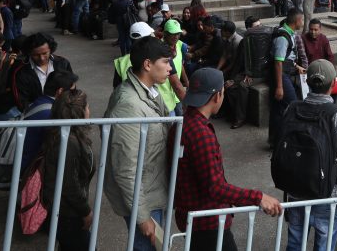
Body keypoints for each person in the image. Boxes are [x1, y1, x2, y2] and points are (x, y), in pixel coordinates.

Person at [175, 68, 283, 250]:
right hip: (207, 223)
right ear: (217, 96)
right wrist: (258, 197)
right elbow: (215, 187)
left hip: (191, 216)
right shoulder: (201, 134)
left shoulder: (183, 123)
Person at [104, 36, 172, 251]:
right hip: (144, 198)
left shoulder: (149, 90)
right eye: (166, 62)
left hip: (153, 188)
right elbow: (125, 168)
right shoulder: (128, 106)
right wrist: (142, 216)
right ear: (148, 64)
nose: (170, 68)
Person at [282, 60, 337, 251]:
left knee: (295, 243)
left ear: (307, 82)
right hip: (327, 193)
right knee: (324, 245)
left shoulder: (291, 109)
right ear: (333, 84)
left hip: (295, 189)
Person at [42, 89, 95, 250]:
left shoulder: (66, 135)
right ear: (79, 112)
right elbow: (69, 184)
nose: (89, 111)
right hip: (68, 214)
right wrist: (85, 211)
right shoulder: (68, 142)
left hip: (65, 211)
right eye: (87, 107)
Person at [21, 69, 78, 171]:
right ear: (60, 91)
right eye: (73, 91)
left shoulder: (41, 101)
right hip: (28, 170)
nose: (75, 94)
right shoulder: (49, 114)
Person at [11, 32, 73, 111]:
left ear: (51, 49)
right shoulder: (20, 72)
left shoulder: (63, 63)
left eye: (45, 53)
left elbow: (70, 86)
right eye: (36, 55)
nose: (42, 58)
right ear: (29, 53)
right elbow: (21, 101)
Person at [270, 8, 305, 145]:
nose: (302, 22)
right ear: (297, 21)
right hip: (281, 76)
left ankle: (276, 139)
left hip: (286, 72)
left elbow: (286, 58)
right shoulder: (282, 37)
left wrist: (297, 67)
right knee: (293, 104)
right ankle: (290, 138)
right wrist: (279, 87)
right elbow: (278, 62)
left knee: (278, 109)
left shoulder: (289, 34)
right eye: (301, 20)